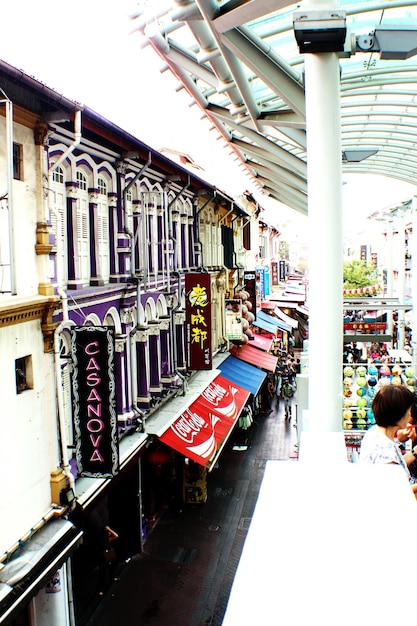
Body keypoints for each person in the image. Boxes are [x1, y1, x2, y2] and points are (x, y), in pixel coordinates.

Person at [359, 384, 417, 495]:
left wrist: (414, 452)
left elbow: (395, 467)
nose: (410, 415)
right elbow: (394, 492)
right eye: (408, 411)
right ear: (398, 414)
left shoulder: (375, 433)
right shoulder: (384, 448)